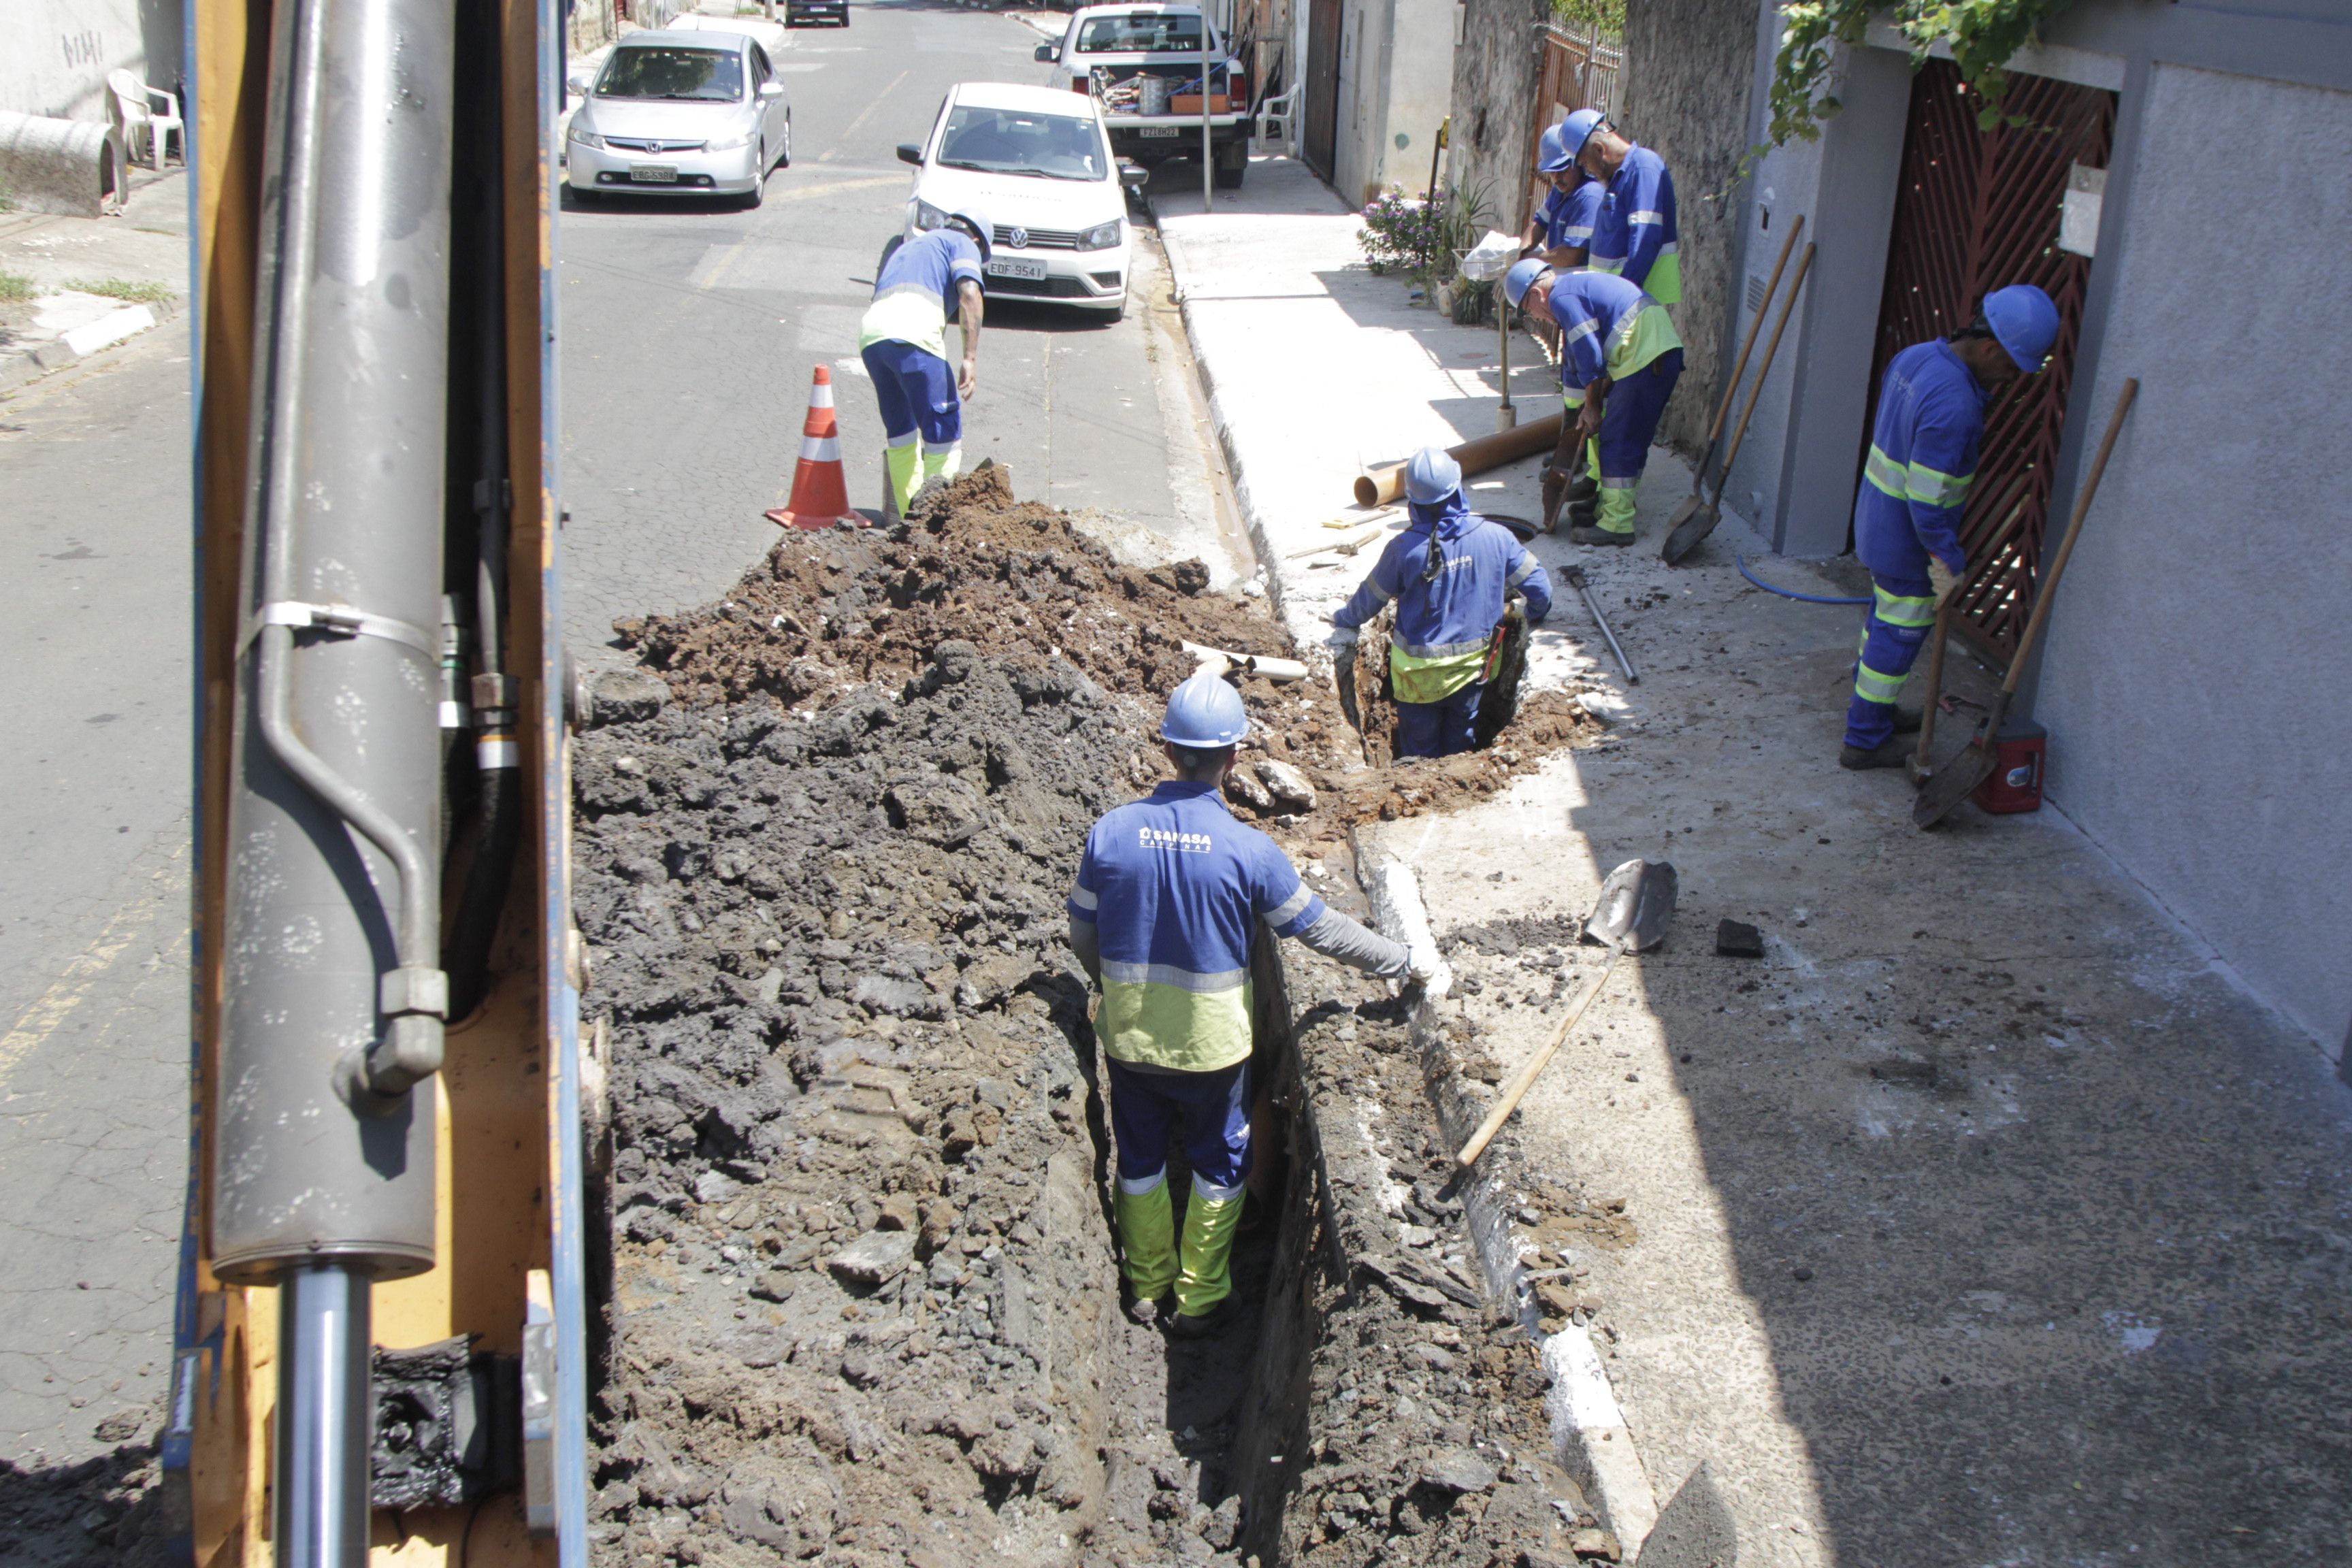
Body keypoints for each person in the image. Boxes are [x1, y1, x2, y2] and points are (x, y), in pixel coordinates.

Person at [1068, 674, 1437, 1336]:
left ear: (1168, 749)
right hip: (1213, 1052)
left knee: (1143, 1159)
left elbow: (1083, 934)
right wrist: (1401, 961)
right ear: (1232, 758)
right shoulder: (1249, 851)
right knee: (1218, 1165)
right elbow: (1320, 930)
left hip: (1130, 1040)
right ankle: (1201, 1297)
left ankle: (1147, 1287)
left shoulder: (1111, 834)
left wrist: (1106, 985)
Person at [1842, 284, 2060, 769]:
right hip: (1909, 543)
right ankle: (1864, 739)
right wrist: (1947, 557)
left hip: (1877, 521)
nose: (2008, 381)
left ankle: (1871, 706)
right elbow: (1928, 497)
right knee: (1898, 638)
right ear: (1988, 348)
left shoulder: (1916, 358)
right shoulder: (1956, 406)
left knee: (1881, 624)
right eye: (2008, 368)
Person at [1329, 448, 1553, 757]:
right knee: (1459, 745)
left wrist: (1342, 618)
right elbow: (1541, 589)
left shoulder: (1403, 549)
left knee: (1418, 753)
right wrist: (1531, 613)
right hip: (1472, 673)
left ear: (1412, 501)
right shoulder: (1497, 538)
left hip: (1417, 680)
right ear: (1458, 489)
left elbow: (1368, 602)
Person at [1505, 259, 1683, 546]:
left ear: (1537, 295)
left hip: (1646, 356)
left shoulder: (1562, 297)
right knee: (1628, 436)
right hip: (1654, 352)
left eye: (1529, 309)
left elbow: (1589, 353)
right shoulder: (1573, 286)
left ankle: (1617, 525)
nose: (1536, 317)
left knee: (1618, 438)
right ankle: (1609, 508)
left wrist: (1591, 405)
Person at [858, 205, 991, 519]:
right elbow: (970, 294)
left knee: (901, 433)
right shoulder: (962, 243)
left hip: (872, 337)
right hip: (913, 334)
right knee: (943, 431)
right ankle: (937, 525)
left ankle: (907, 525)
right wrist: (970, 358)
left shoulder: (912, 246)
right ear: (975, 239)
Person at [1555, 108, 1679, 306]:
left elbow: (1645, 242)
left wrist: (1621, 299)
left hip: (1636, 301)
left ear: (1599, 149)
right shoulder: (1617, 177)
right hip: (1619, 297)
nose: (1587, 171)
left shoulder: (1643, 167)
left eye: (1585, 163)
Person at [1520, 121, 1602, 269]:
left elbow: (1570, 257)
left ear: (1578, 163)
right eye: (1552, 172)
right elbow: (1539, 224)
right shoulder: (1559, 191)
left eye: (1563, 170)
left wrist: (1528, 258)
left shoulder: (1589, 196)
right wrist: (1521, 251)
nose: (1556, 178)